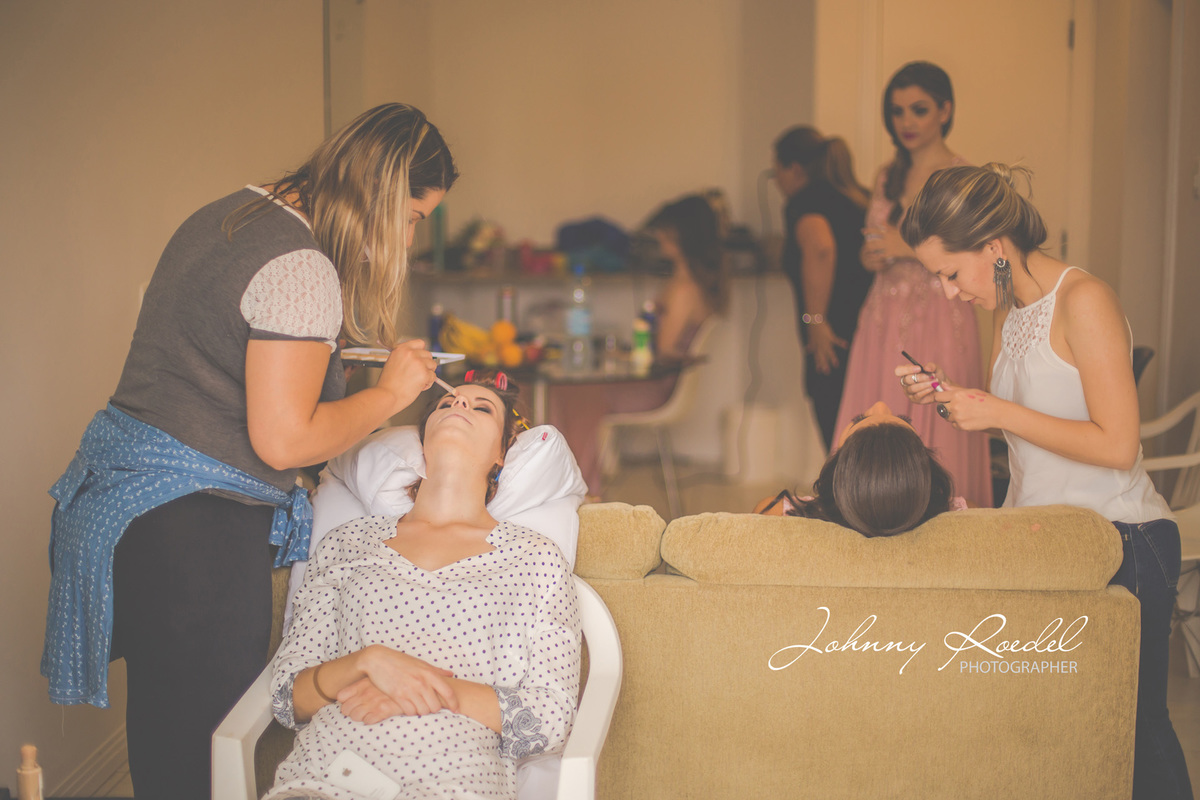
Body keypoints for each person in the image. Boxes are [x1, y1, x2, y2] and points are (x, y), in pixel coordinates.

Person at [42, 103, 457, 800]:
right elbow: (285, 440)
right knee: (201, 766)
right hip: (191, 535)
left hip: (128, 507)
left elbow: (225, 356)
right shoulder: (302, 268)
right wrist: (390, 394)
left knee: (166, 746)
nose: (410, 238)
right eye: (414, 218)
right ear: (382, 193)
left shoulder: (228, 216)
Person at [898, 163, 1193, 800]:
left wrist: (996, 411)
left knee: (1134, 730)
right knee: (1063, 730)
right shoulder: (1011, 311)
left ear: (992, 247)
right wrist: (952, 396)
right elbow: (1031, 425)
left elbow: (1117, 445)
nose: (947, 294)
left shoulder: (1084, 300)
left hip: (1122, 539)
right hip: (1049, 540)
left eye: (950, 274)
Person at [266, 370, 581, 800]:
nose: (460, 404)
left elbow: (551, 717)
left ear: (502, 452)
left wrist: (422, 691)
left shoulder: (535, 557)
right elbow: (288, 696)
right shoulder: (348, 542)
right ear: (422, 441)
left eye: (482, 408)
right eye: (446, 403)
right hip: (325, 776)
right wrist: (370, 662)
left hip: (456, 783)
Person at [833, 61, 992, 507]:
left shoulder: (962, 175)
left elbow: (971, 248)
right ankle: (868, 510)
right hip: (883, 313)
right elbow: (875, 240)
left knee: (938, 412)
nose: (907, 122)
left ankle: (944, 516)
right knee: (876, 406)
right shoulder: (888, 175)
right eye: (898, 111)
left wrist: (901, 247)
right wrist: (870, 255)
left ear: (945, 110)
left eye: (919, 110)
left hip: (941, 310)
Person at [548, 193, 729, 496]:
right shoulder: (687, 284)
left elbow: (661, 350)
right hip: (661, 381)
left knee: (575, 392)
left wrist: (623, 353)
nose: (659, 238)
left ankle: (579, 489)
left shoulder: (683, 290)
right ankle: (575, 483)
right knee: (575, 391)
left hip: (657, 389)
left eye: (666, 232)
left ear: (682, 236)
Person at [773, 126, 874, 451]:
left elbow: (820, 248)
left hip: (832, 335)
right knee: (867, 430)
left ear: (794, 169)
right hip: (868, 329)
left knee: (838, 431)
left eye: (776, 172)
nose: (776, 182)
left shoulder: (805, 202)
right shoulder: (858, 198)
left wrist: (815, 320)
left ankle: (842, 484)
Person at [755, 400, 959, 536]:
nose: (880, 405)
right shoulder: (963, 515)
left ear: (838, 470)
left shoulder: (776, 515)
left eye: (860, 420)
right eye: (904, 421)